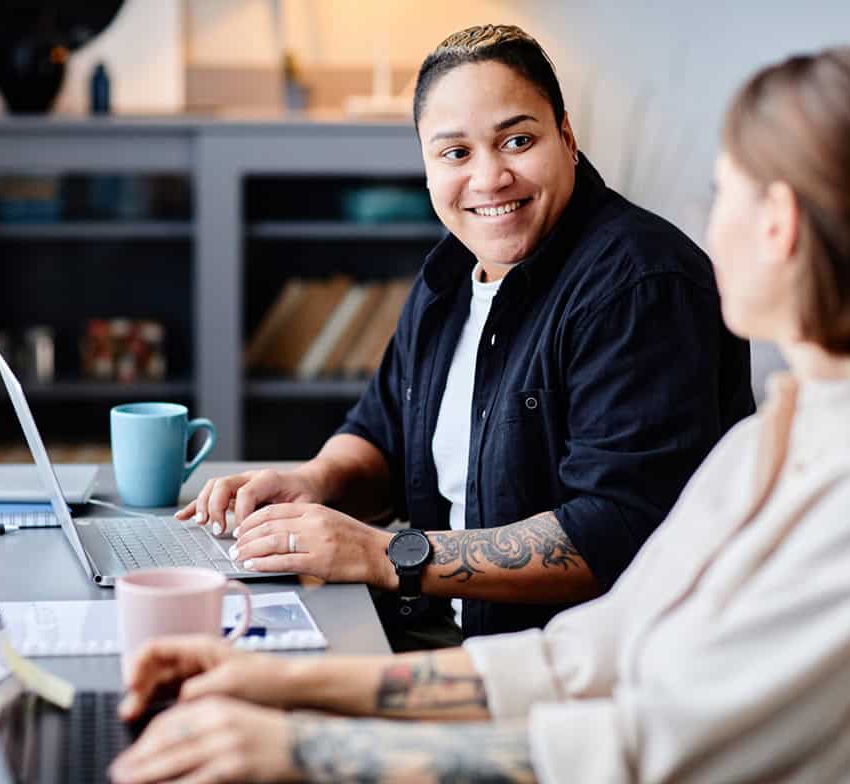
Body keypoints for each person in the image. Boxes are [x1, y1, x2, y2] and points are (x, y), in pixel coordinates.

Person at [108, 46, 850, 784]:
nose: (707, 223)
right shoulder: (776, 440)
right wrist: (273, 684)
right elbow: (579, 660)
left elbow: (637, 753)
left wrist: (295, 743)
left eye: (724, 193)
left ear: (779, 225)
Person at [178, 25, 754, 647]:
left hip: (562, 672)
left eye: (517, 140)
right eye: (456, 153)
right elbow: (382, 433)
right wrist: (316, 481)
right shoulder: (450, 278)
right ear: (426, 166)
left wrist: (383, 554)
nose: (489, 178)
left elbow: (616, 532)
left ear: (566, 136)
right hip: (437, 634)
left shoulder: (640, 286)